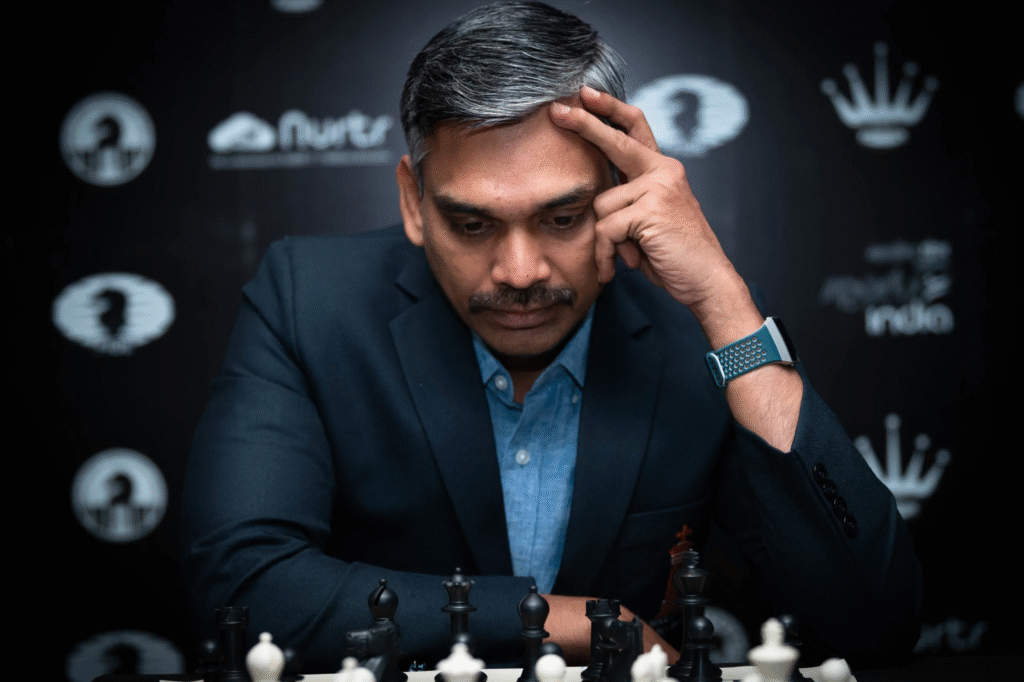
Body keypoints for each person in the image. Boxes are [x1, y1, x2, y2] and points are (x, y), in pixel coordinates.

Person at [181, 1, 921, 673]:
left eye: (564, 218)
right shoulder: (309, 300)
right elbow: (240, 590)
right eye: (472, 225)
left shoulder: (696, 326)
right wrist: (569, 621)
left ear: (619, 192)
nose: (520, 270)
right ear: (414, 201)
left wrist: (727, 307)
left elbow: (871, 625)